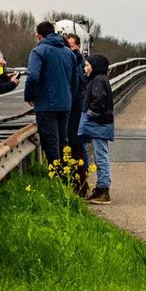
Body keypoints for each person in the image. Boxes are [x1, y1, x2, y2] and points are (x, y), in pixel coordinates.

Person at [24, 21, 80, 164]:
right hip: (65, 104)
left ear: (39, 36)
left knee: (50, 144)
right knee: (63, 142)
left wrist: (29, 96)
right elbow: (75, 81)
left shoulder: (39, 52)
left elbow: (32, 76)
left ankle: (56, 177)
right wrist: (69, 97)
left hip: (46, 105)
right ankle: (65, 178)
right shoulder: (69, 53)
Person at [79, 54, 114, 204]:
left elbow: (98, 100)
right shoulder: (98, 79)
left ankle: (103, 190)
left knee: (101, 157)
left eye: (87, 65)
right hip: (101, 124)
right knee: (100, 156)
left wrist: (89, 114)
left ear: (96, 66)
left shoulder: (99, 80)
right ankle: (101, 189)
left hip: (99, 124)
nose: (85, 68)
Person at [63, 33, 90, 195]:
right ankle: (80, 182)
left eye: (72, 47)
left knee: (77, 145)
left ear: (78, 47)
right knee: (76, 146)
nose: (70, 51)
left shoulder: (78, 61)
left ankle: (81, 184)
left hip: (76, 110)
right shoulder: (77, 60)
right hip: (75, 108)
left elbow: (78, 86)